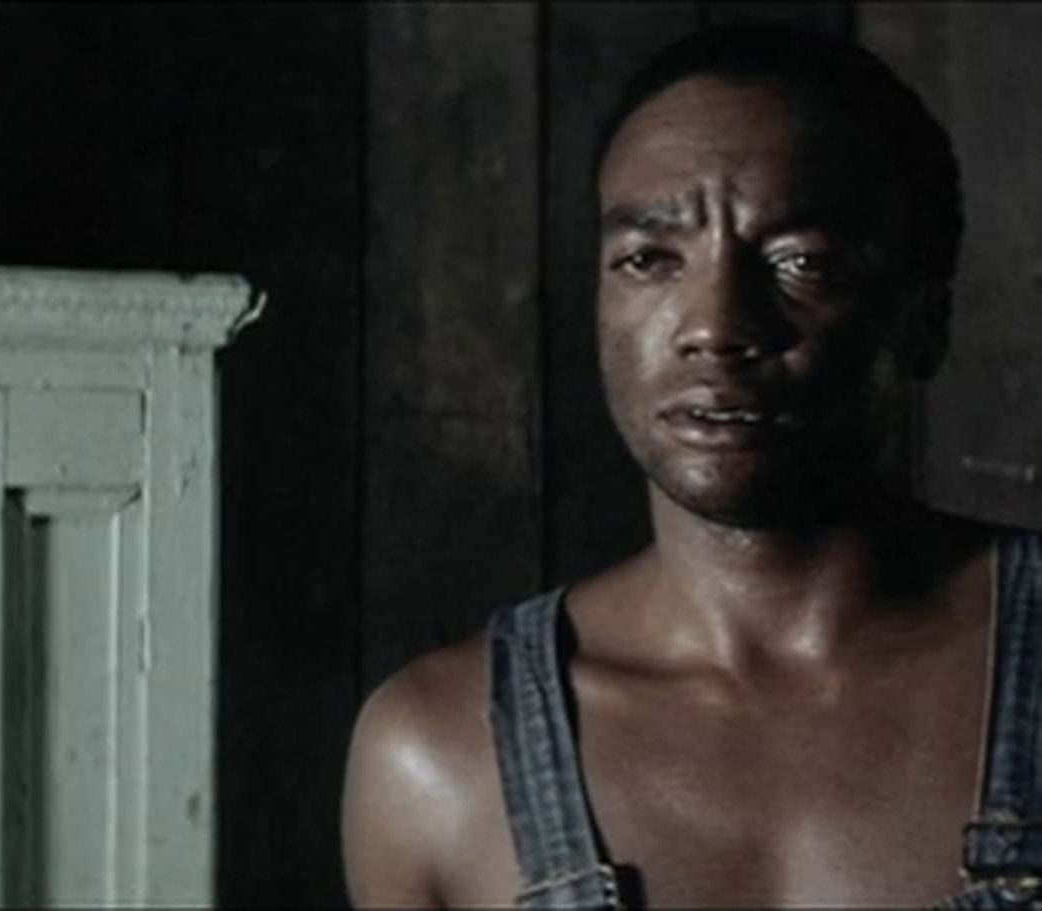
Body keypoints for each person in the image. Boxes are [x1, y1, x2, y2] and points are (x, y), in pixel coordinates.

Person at [342, 23, 1042, 909]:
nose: (714, 324)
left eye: (800, 262)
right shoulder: (440, 757)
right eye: (648, 259)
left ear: (924, 319)